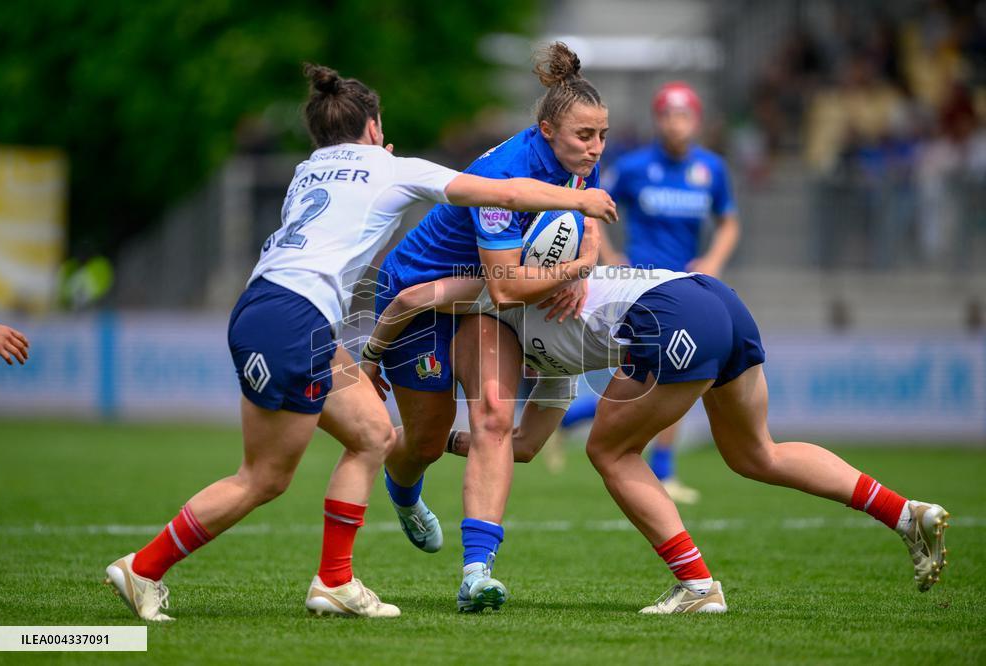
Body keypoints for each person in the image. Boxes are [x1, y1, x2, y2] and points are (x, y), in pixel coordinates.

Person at [103, 63, 617, 622]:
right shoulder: (388, 167)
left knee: (372, 433)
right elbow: (506, 193)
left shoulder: (306, 171)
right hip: (296, 320)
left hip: (269, 309)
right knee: (265, 476)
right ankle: (144, 568)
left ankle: (335, 582)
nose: (594, 147)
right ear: (374, 127)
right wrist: (581, 208)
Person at [365, 263, 950, 613]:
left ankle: (696, 584)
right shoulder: (549, 369)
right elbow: (519, 446)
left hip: (671, 314)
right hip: (716, 299)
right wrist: (440, 438)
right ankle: (905, 513)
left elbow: (414, 297)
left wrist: (371, 357)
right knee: (756, 454)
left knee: (608, 450)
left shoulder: (496, 292)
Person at [366, 42, 611, 612]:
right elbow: (504, 286)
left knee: (496, 415)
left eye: (601, 135)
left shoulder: (580, 162)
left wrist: (576, 268)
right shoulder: (504, 176)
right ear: (547, 130)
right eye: (583, 137)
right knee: (423, 441)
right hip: (423, 295)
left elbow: (585, 219)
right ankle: (403, 491)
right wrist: (572, 268)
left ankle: (476, 573)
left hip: (479, 296)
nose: (595, 148)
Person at [561, 81, 741, 504]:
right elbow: (594, 204)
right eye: (667, 115)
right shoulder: (636, 166)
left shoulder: (711, 169)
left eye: (683, 115)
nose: (675, 123)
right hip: (640, 286)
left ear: (695, 121)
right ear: (657, 120)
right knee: (665, 373)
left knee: (663, 374)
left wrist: (714, 259)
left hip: (685, 286)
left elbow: (729, 221)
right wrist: (610, 254)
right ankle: (658, 468)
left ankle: (577, 418)